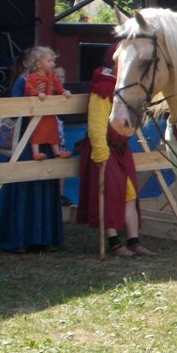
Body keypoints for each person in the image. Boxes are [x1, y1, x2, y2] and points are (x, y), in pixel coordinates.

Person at [76, 43, 154, 257]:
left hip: (121, 149)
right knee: (109, 195)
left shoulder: (127, 88)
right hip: (106, 149)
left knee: (129, 194)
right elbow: (97, 122)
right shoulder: (103, 87)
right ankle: (113, 242)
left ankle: (133, 240)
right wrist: (100, 151)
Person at [0, 48, 64, 252]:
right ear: (36, 63)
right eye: (49, 60)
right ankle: (18, 238)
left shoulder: (52, 79)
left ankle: (42, 238)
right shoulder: (23, 81)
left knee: (44, 182)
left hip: (45, 137)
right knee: (24, 183)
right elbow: (16, 110)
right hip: (26, 140)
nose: (52, 64)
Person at [24, 47, 72, 160]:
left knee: (53, 130)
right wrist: (37, 93)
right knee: (36, 130)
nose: (53, 64)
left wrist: (64, 92)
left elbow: (58, 87)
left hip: (49, 110)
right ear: (39, 64)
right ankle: (35, 153)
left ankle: (57, 152)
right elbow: (28, 88)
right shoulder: (33, 76)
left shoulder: (51, 76)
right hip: (37, 110)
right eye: (49, 61)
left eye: (53, 61)